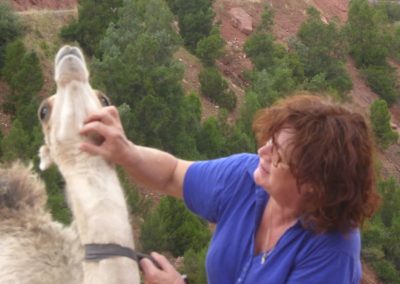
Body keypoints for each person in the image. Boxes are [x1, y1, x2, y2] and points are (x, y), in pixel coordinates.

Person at [79, 94, 380, 284]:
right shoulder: (246, 178)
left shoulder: (332, 251)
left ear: (314, 185)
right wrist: (126, 152)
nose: (261, 152)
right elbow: (172, 174)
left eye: (277, 156)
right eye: (269, 141)